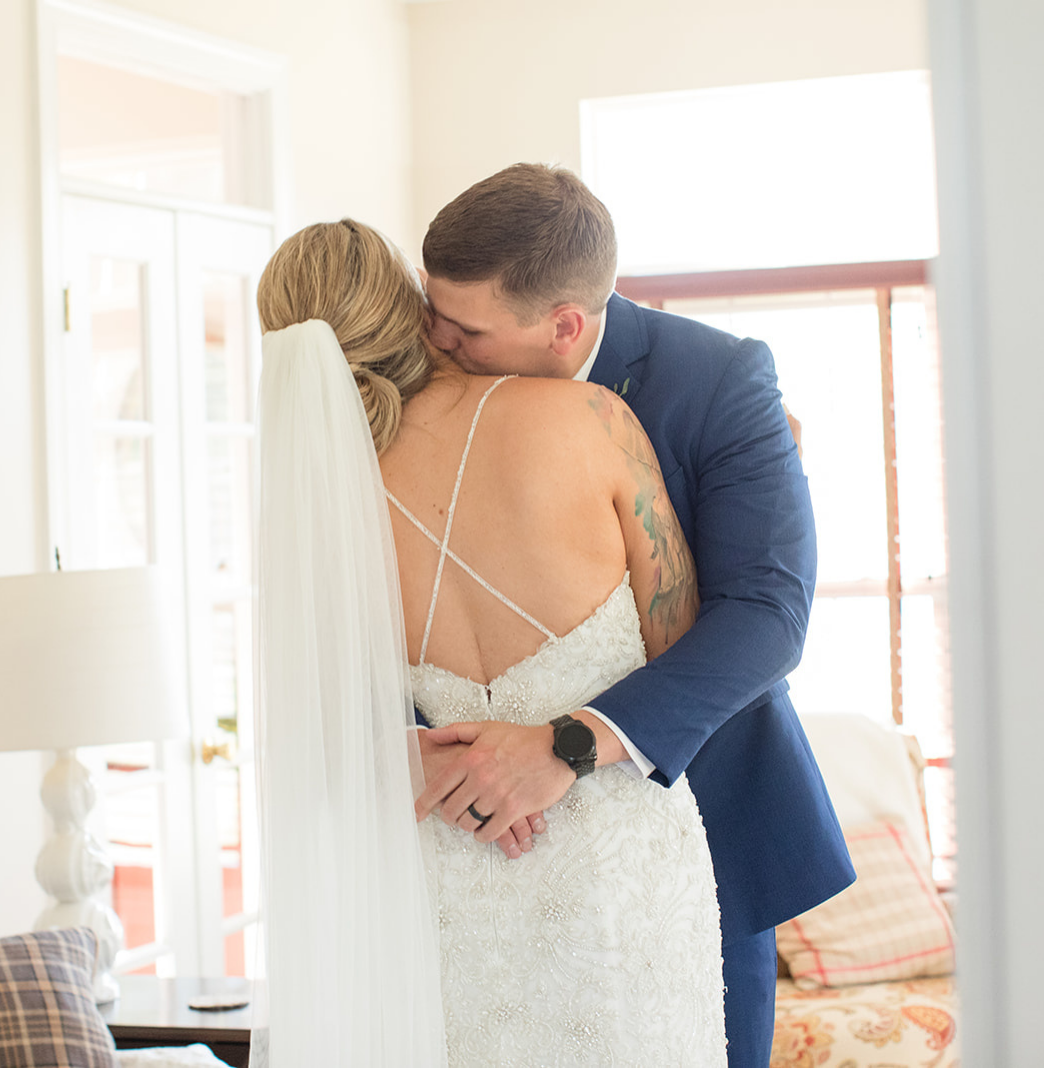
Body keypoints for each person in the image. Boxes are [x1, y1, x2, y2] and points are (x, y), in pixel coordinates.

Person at [253, 218, 728, 1067]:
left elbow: (314, 712)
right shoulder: (590, 419)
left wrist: (403, 751)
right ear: (410, 307)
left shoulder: (323, 503)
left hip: (443, 872)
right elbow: (678, 643)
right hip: (616, 866)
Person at [412, 163, 857, 1068]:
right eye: (433, 310)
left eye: (465, 327)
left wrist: (569, 743)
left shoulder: (719, 379)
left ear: (564, 326)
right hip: (479, 861)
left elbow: (770, 614)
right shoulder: (418, 383)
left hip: (695, 843)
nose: (436, 342)